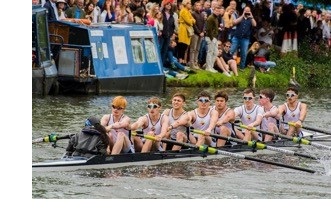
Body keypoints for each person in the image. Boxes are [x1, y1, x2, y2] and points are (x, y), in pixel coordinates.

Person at [230, 6, 257, 70]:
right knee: (231, 51)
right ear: (243, 10)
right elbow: (234, 22)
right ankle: (228, 64)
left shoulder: (251, 19)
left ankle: (241, 67)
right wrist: (242, 15)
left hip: (245, 39)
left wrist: (252, 17)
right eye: (245, 10)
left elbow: (255, 25)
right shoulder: (240, 17)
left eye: (248, 11)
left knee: (244, 53)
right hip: (236, 37)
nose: (247, 12)